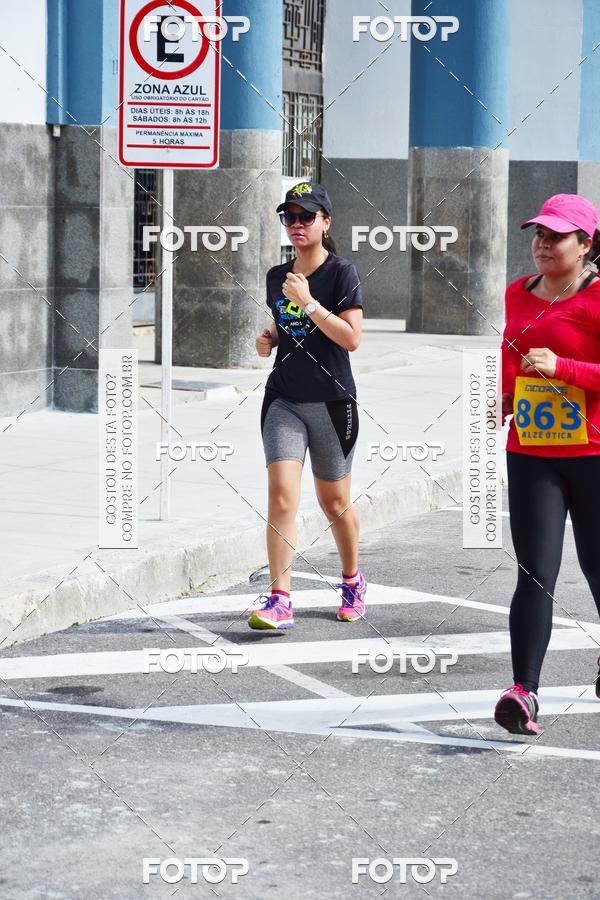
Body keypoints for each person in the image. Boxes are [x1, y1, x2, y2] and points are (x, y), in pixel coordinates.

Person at [496, 193, 600, 735]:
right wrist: (505, 396)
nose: (541, 243)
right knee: (535, 572)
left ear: (585, 244)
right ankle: (525, 691)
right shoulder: (518, 291)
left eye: (555, 236)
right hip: (533, 450)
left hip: (594, 454)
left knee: (597, 566)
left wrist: (565, 367)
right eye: (537, 233)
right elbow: (513, 351)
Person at [247, 181, 366, 630]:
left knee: (334, 502)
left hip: (333, 402)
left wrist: (310, 302)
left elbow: (351, 338)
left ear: (325, 222)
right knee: (281, 497)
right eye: (289, 217)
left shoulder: (342, 274)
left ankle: (353, 581)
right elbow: (287, 326)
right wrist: (271, 337)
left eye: (306, 217)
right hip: (284, 399)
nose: (297, 224)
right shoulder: (277, 276)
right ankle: (280, 599)